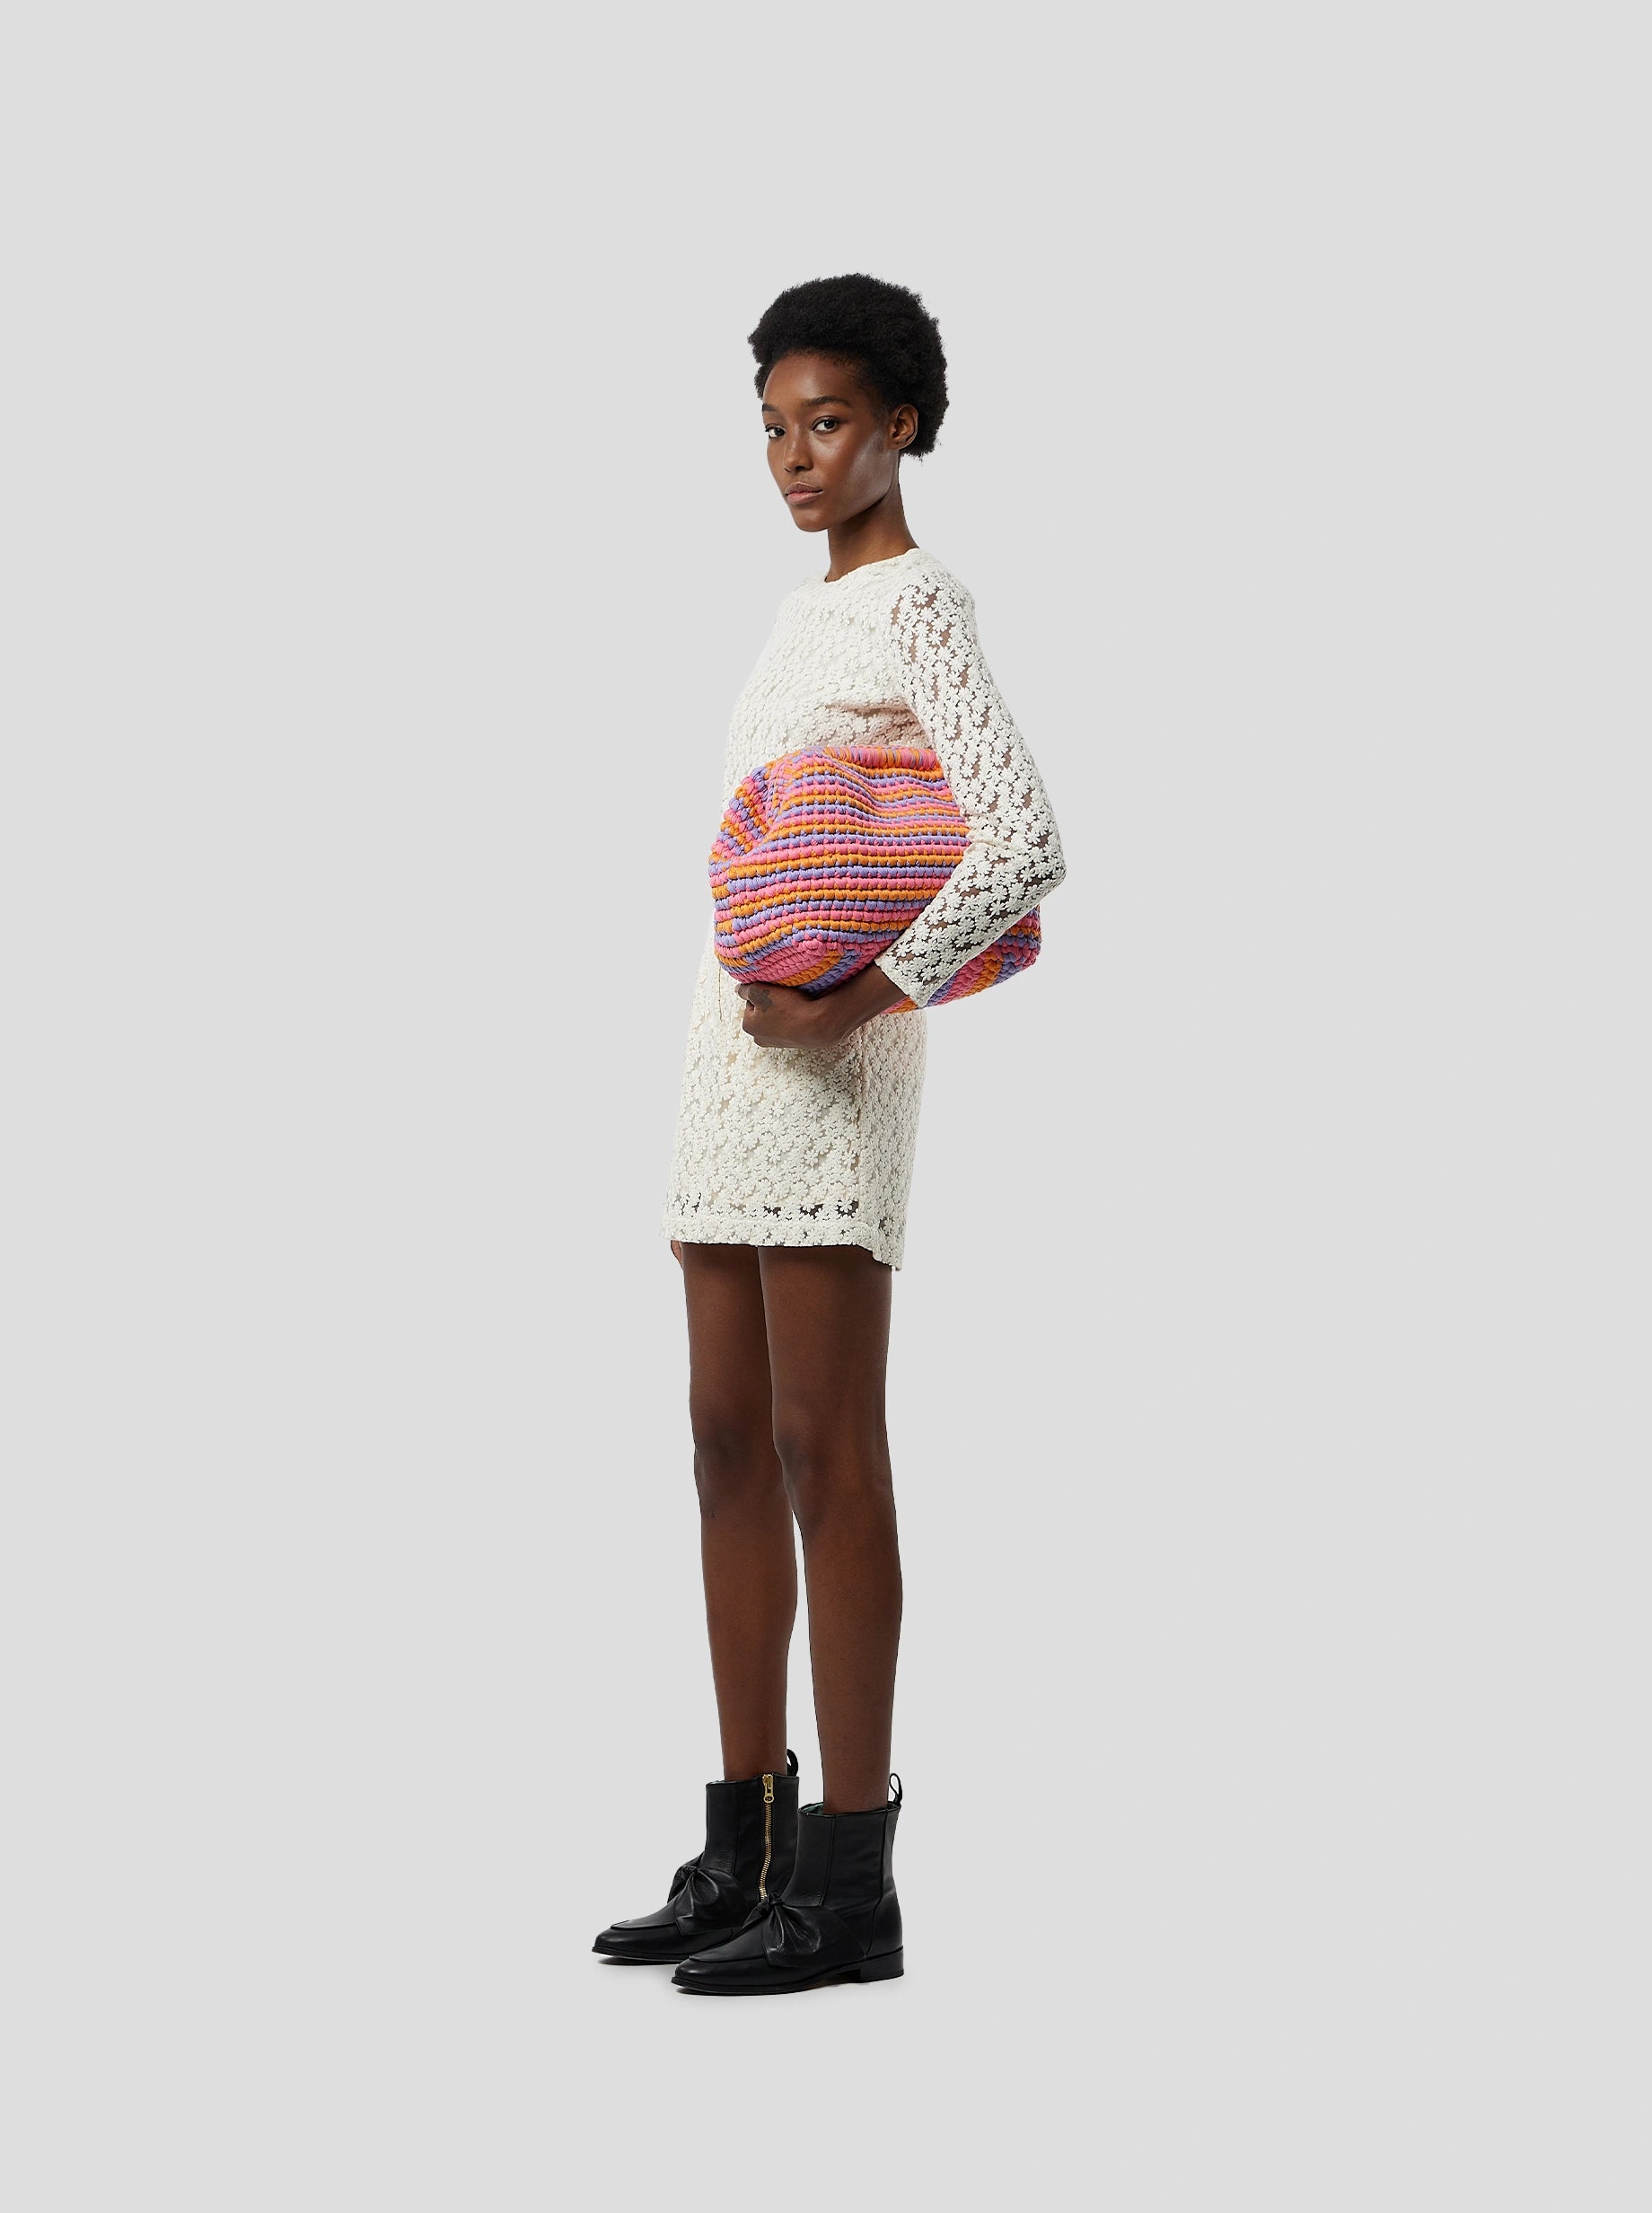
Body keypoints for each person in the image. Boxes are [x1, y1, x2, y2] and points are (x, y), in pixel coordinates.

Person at [593, 274, 1066, 1995]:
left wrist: (859, 998)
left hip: (833, 1065)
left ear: (902, 427)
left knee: (822, 1446)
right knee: (723, 1441)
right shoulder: (800, 615)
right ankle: (746, 1847)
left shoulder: (922, 599)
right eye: (776, 429)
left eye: (831, 423)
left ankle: (852, 1885)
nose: (798, 457)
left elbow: (1023, 842)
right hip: (728, 1063)